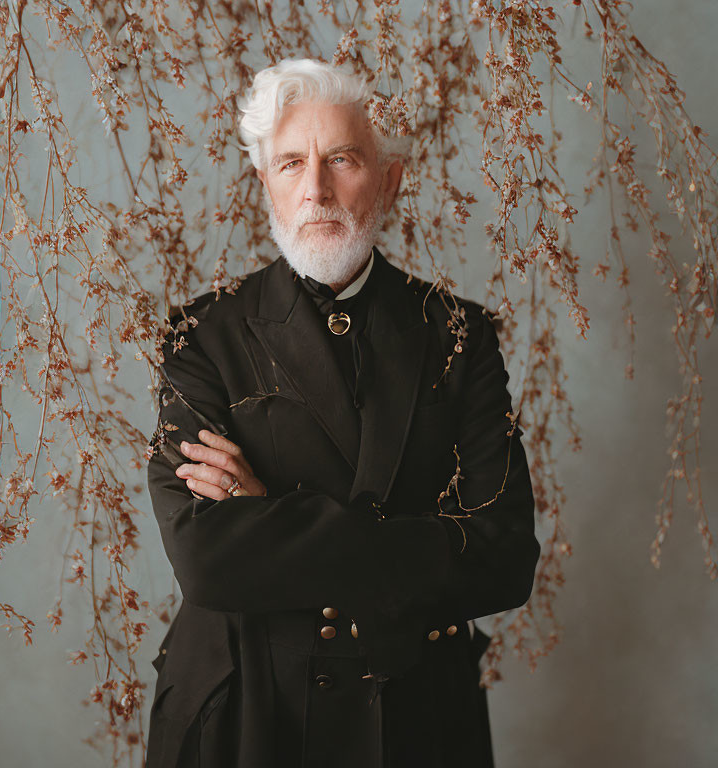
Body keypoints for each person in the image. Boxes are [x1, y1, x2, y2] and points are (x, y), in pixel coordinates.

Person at [144, 57, 540, 768]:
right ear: (265, 182)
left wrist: (266, 511)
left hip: (418, 716)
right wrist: (415, 546)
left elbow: (505, 558)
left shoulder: (459, 335)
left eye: (343, 159)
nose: (316, 189)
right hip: (246, 717)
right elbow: (205, 560)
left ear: (388, 179)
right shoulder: (199, 337)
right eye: (291, 163)